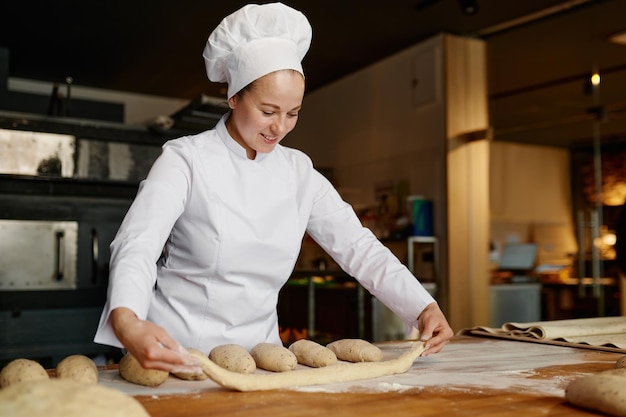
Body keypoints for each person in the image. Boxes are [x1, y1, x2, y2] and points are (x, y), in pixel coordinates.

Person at [94, 2, 453, 375]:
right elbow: (138, 243)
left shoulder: (299, 172)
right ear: (234, 97)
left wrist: (422, 306)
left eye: (293, 113)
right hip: (175, 354)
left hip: (261, 362)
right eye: (268, 111)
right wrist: (127, 320)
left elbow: (358, 247)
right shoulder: (186, 159)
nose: (279, 127)